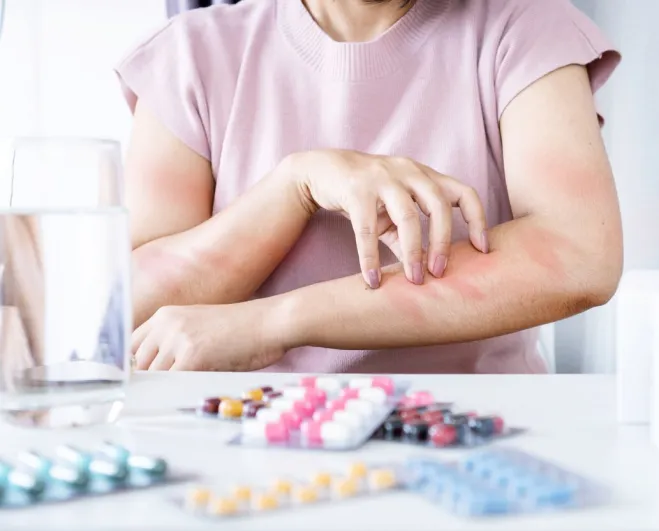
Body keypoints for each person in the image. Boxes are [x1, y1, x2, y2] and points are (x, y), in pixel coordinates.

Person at [118, 0, 623, 373]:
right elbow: (128, 305)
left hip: (477, 436)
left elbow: (578, 254)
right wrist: (294, 187)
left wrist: (277, 321)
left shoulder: (527, 28)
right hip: (243, 435)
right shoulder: (189, 56)